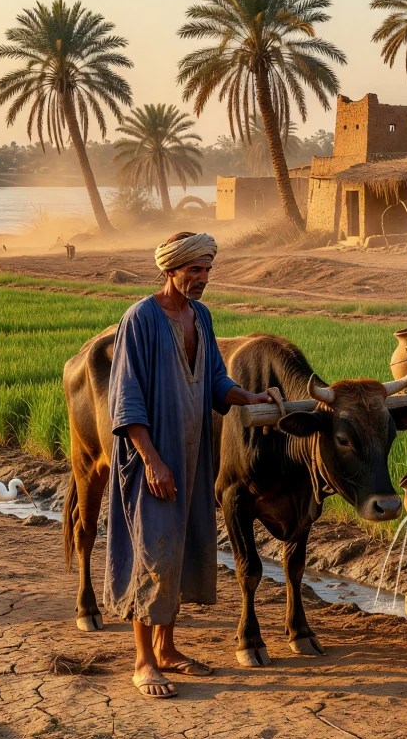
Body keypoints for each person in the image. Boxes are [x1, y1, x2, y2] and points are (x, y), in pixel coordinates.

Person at [105, 231, 275, 699]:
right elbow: (126, 398)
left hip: (195, 453)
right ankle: (143, 661)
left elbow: (216, 378)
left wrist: (249, 396)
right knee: (152, 551)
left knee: (178, 551)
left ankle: (167, 648)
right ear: (170, 269)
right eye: (193, 270)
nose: (201, 279)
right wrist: (152, 460)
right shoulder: (139, 318)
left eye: (207, 270)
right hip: (152, 459)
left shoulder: (201, 316)